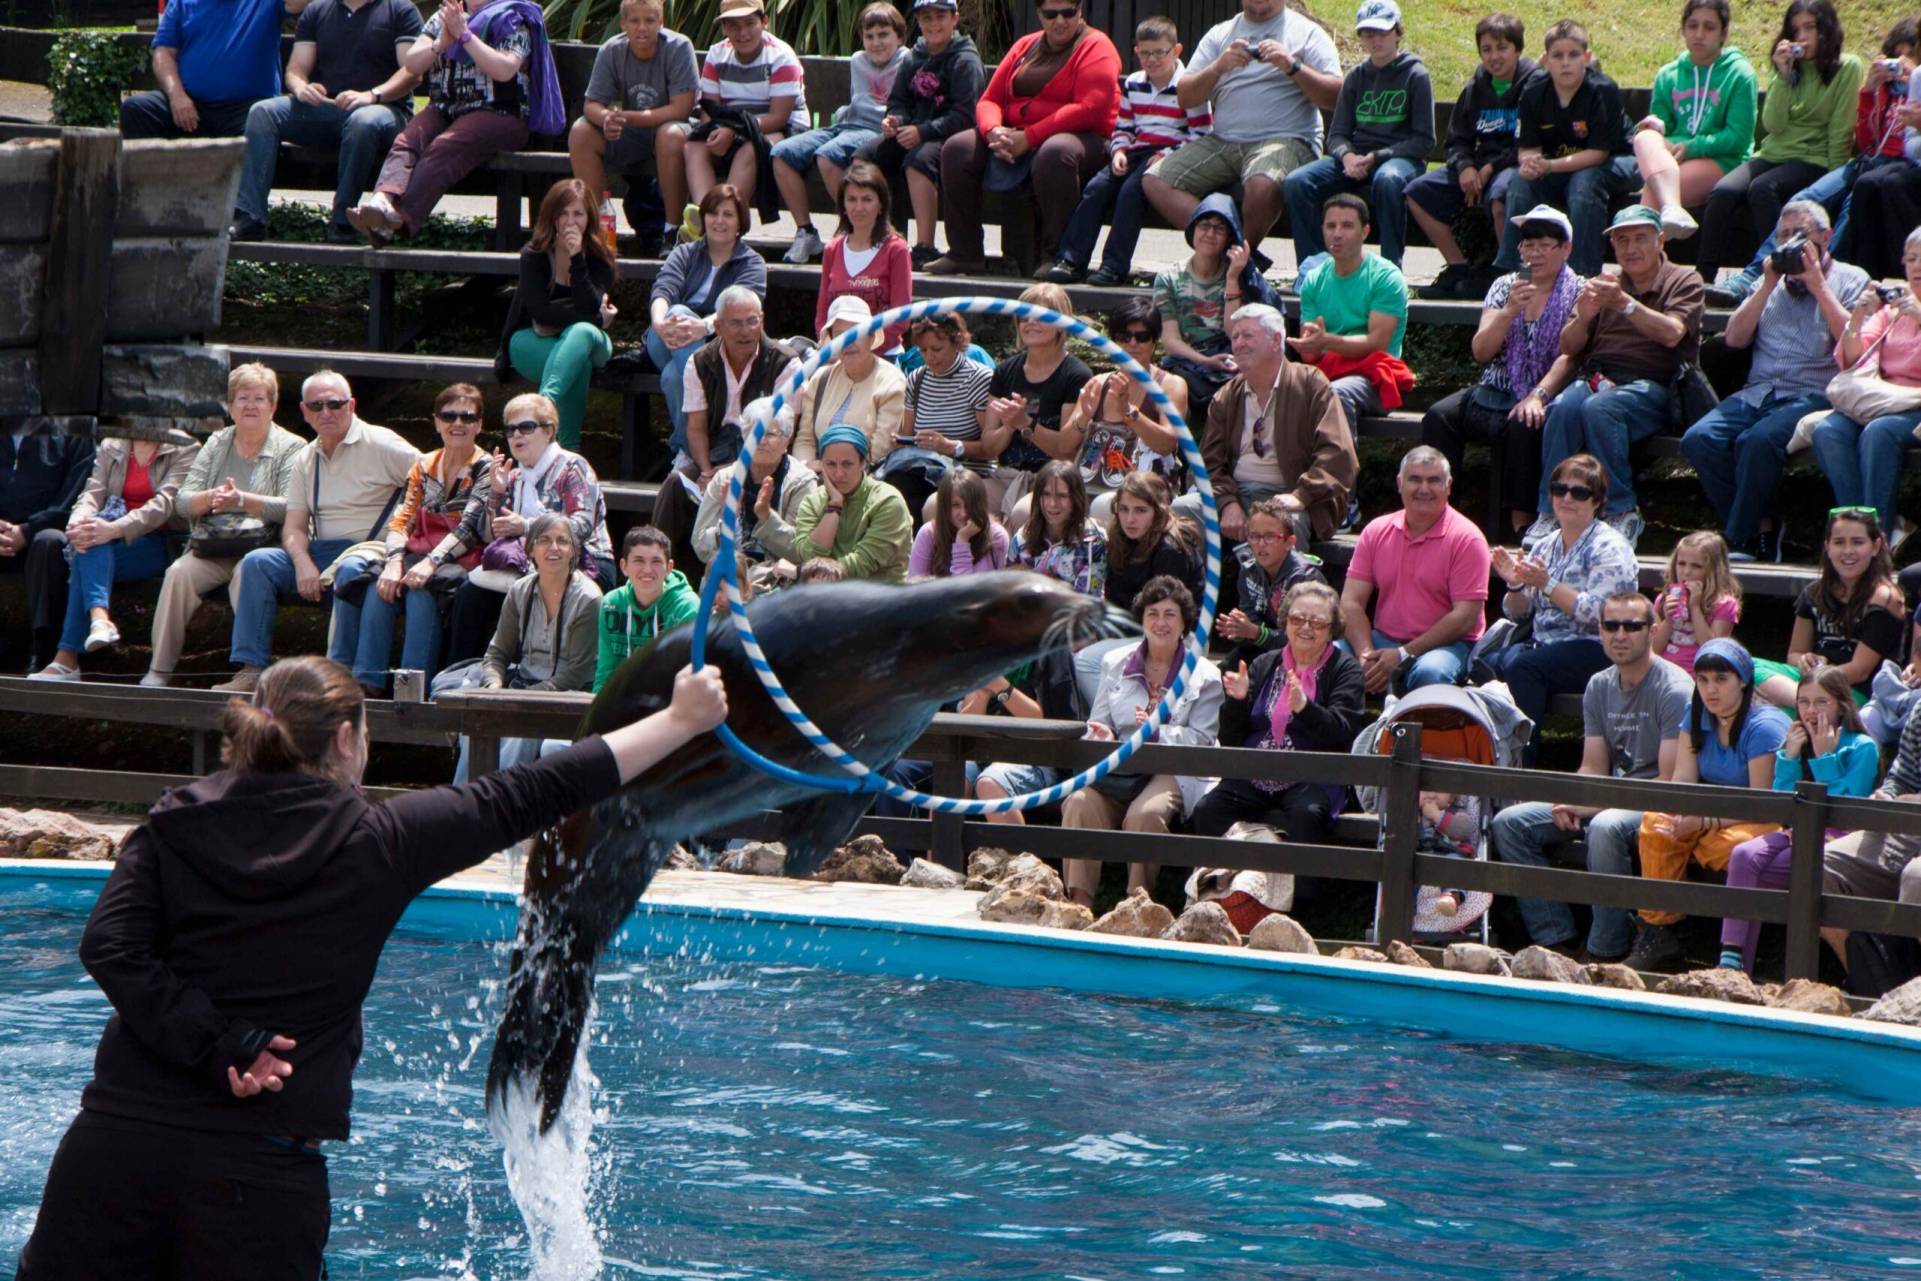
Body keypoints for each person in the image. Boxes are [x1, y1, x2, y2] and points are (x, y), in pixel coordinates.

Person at [12, 653, 727, 1281]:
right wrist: (679, 719)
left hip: (110, 1154)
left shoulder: (171, 820)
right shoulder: (379, 840)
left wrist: (220, 1039)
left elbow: (109, 946)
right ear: (348, 737)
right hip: (254, 1177)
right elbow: (536, 789)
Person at [1491, 591, 1694, 962]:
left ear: (1652, 631)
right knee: (1510, 823)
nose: (1620, 634)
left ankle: (1605, 950)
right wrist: (1574, 798)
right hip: (1608, 797)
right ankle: (1555, 942)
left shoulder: (1674, 689)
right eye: (1611, 625)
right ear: (1599, 632)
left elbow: (1670, 781)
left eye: (1632, 626)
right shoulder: (1598, 685)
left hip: (1655, 805)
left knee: (1604, 825)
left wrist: (1594, 804)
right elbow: (1592, 766)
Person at [1680, 201, 1868, 561]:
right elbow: (1734, 338)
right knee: (1699, 439)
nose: (1789, 244)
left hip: (1815, 392)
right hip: (1759, 391)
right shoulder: (1772, 280)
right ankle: (1762, 523)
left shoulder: (1850, 277)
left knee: (1757, 441)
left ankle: (1740, 540)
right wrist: (1766, 285)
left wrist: (1817, 285)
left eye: (1800, 236)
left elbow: (1853, 344)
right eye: (1782, 236)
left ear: (1826, 238)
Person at [215, 372, 420, 694]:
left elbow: (432, 481)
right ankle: (251, 669)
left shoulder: (382, 443)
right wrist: (301, 562)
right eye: (317, 405)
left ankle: (344, 677)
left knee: (350, 570)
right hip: (323, 551)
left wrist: (403, 533)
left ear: (351, 405)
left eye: (335, 404)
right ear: (305, 411)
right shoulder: (305, 458)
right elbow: (295, 525)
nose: (326, 412)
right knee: (257, 562)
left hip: (370, 553)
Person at [1710, 17, 1919, 306]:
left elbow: (1910, 149)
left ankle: (1814, 279)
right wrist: (1870, 92)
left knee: (1851, 208)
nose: (1902, 62)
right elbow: (1867, 140)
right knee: (1805, 201)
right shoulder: (1885, 88)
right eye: (1896, 55)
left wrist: (1915, 85)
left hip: (1896, 167)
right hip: (1866, 160)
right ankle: (1754, 275)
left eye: (1911, 55)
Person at [1537, 204, 1704, 549]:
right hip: (1600, 377)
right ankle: (1551, 511)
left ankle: (1621, 510)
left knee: (1601, 408)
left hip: (1656, 384)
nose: (1631, 249)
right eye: (1622, 240)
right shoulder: (1603, 284)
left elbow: (1673, 333)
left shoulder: (1683, 280)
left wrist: (1625, 304)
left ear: (1660, 241)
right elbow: (1568, 347)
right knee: (1563, 407)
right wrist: (1582, 318)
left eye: (1640, 239)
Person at [925, 0, 1121, 276]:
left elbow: (1091, 108)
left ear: (1080, 12)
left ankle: (1059, 258)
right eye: (1051, 14)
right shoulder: (1025, 46)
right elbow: (990, 99)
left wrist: (1030, 137)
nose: (1060, 21)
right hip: (1015, 134)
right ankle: (964, 252)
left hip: (1083, 138)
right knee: (957, 149)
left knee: (1055, 154)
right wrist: (993, 132)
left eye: (1068, 13)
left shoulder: (1097, 47)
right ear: (1040, 15)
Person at [1627, 638, 1790, 970]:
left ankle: (1748, 948)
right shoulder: (1696, 712)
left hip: (1758, 817)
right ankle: (1660, 931)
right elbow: (1683, 780)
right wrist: (1681, 816)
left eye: (1721, 679)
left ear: (1742, 680)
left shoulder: (1765, 726)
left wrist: (1702, 823)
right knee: (1656, 824)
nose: (1710, 689)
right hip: (1707, 809)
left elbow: (1762, 802)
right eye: (1703, 680)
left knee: (1731, 848)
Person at [1061, 575, 1222, 908]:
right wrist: (1101, 734)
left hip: (1173, 768)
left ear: (1184, 623)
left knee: (1145, 814)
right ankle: (1078, 905)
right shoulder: (1114, 662)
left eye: (1169, 614)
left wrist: (1156, 731)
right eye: (1152, 614)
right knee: (1078, 803)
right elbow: (1098, 721)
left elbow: (1203, 740)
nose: (1160, 623)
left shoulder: (1206, 675)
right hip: (1120, 766)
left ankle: (1137, 904)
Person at [1419, 204, 1580, 534]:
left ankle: (1520, 524)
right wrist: (1509, 310)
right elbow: (1481, 351)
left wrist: (1537, 395)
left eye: (1544, 245)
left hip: (1546, 387)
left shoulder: (1577, 290)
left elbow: (1571, 356)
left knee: (1526, 422)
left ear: (1565, 248)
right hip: (1495, 385)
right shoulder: (1506, 285)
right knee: (1439, 415)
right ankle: (1436, 508)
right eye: (1527, 245)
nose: (1534, 253)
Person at [142, 363, 305, 689]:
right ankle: (159, 668)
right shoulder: (217, 443)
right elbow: (182, 501)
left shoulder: (294, 448)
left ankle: (249, 671)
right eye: (242, 398)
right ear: (229, 407)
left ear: (273, 406)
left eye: (259, 398)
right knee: (178, 574)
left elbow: (293, 507)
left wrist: (243, 500)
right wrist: (211, 497)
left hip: (263, 547)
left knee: (249, 573)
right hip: (214, 544)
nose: (250, 405)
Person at [348, 0, 560, 246]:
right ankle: (382, 201)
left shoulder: (513, 18)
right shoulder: (443, 17)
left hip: (500, 113)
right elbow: (412, 63)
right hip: (445, 108)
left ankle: (396, 219)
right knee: (407, 139)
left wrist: (466, 36)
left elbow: (504, 69)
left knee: (445, 146)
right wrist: (441, 44)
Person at [1141, 0, 1340, 258]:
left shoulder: (1306, 32)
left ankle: (1233, 260)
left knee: (1261, 185)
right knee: (1155, 180)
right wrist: (1218, 67)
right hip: (1224, 140)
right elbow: (1186, 97)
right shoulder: (1220, 33)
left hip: (1288, 138)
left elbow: (1335, 96)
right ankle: (1234, 255)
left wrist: (1292, 66)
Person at [1717, 665, 1881, 973]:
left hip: (1838, 843)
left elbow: (1846, 808)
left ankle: (1739, 968)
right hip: (1797, 833)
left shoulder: (1863, 747)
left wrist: (1824, 758)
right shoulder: (1797, 739)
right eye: (1803, 702)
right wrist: (1790, 758)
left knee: (1754, 876)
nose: (1811, 710)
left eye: (1822, 702)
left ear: (1841, 705)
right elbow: (1781, 804)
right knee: (1742, 854)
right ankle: (1731, 957)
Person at [328, 383, 489, 698]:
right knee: (380, 585)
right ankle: (367, 682)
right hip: (418, 555)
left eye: (467, 417)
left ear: (479, 424)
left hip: (462, 560)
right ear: (437, 421)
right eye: (449, 415)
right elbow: (402, 519)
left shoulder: (485, 468)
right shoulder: (424, 465)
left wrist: (430, 564)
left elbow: (469, 527)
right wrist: (394, 562)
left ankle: (412, 689)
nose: (458, 424)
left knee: (420, 591)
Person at [1694, 0, 1862, 287]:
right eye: (1795, 30)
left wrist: (1835, 181)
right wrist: (1783, 77)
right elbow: (1773, 125)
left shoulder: (1847, 67)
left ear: (1827, 29)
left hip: (1815, 159)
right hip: (1774, 153)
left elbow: (1840, 130)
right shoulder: (1786, 66)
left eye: (1810, 28)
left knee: (1762, 189)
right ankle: (1702, 280)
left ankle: (1774, 274)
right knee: (1722, 192)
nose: (1802, 37)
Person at [441, 393, 616, 665]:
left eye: (526, 427)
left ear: (548, 431)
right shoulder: (511, 475)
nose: (516, 436)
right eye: (510, 429)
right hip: (527, 562)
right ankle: (459, 676)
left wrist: (525, 526)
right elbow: (490, 537)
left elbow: (580, 526)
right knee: (469, 593)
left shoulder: (572, 467)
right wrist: (496, 495)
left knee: (536, 589)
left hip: (586, 561)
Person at [1191, 580, 1364, 847]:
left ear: (1331, 630)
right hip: (1255, 772)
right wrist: (1236, 701)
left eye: (1317, 622)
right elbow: (1231, 740)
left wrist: (1305, 709)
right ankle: (1217, 885)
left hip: (1312, 776)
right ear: (1285, 623)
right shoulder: (1264, 663)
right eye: (1297, 619)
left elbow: (1341, 731)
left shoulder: (1345, 670)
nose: (1305, 627)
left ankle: (1300, 890)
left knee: (1306, 815)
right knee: (1208, 810)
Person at [232, 0, 422, 242]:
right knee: (263, 112)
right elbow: (296, 68)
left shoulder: (400, 10)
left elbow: (412, 72)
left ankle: (343, 222)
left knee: (362, 121)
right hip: (329, 109)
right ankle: (251, 217)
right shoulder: (317, 10)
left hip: (385, 110)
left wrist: (372, 95)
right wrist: (301, 87)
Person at [1044, 16, 1211, 286]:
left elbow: (1202, 135)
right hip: (1136, 152)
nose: (1152, 59)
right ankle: (1071, 259)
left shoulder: (1188, 86)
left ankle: (1114, 265)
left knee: (1132, 193)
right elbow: (1124, 127)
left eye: (1160, 52)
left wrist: (1169, 156)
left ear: (1176, 51)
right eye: (1145, 53)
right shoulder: (1134, 83)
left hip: (1170, 155)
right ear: (1136, 52)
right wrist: (1119, 151)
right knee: (1097, 188)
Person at [1486, 453, 1640, 737]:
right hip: (1545, 644)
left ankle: (1521, 763)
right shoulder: (1544, 545)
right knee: (1486, 666)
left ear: (1596, 501)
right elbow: (1520, 612)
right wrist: (1516, 585)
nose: (1567, 498)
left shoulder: (1610, 547)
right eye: (1559, 490)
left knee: (1523, 668)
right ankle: (1489, 754)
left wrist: (1547, 583)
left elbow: (1601, 614)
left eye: (1579, 492)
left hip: (1599, 646)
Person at [27, 436, 198, 682]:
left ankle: (68, 658)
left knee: (91, 544)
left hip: (163, 540)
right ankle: (98, 623)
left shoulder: (186, 448)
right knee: (87, 543)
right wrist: (80, 521)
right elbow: (91, 494)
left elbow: (165, 504)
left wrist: (114, 529)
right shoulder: (111, 446)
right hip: (110, 539)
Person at [447, 512, 604, 778]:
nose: (553, 548)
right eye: (544, 540)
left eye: (562, 541)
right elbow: (497, 653)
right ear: (530, 549)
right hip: (520, 689)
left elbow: (575, 674)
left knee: (520, 733)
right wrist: (494, 689)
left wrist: (515, 700)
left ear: (573, 550)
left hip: (568, 697)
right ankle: (466, 809)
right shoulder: (519, 591)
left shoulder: (588, 599)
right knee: (475, 727)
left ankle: (496, 808)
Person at [1282, 0, 1434, 272]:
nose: (1375, 40)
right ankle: (1314, 269)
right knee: (1297, 182)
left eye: (1382, 32)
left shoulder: (1416, 75)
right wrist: (1348, 156)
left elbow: (1424, 141)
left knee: (1389, 180)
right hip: (1356, 159)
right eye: (1368, 34)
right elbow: (1337, 134)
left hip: (1398, 158)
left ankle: (1389, 270)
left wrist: (1377, 157)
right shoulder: (1356, 77)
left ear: (1399, 32)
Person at [1199, 304, 1357, 547]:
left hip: (1290, 497)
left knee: (1282, 526)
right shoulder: (1227, 396)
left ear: (1275, 340)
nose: (1239, 343)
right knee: (1181, 513)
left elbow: (1338, 453)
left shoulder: (1310, 384)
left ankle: (1284, 587)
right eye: (1235, 337)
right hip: (1235, 494)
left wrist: (1301, 496)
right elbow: (1208, 462)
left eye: (1248, 335)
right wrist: (1227, 502)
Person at [1489, 21, 1638, 279]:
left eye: (1574, 55)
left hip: (1617, 161)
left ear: (1587, 58)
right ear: (1546, 60)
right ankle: (1514, 273)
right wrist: (1530, 163)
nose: (1566, 63)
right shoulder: (1534, 90)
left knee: (1585, 181)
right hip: (1558, 165)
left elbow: (1598, 154)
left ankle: (1581, 276)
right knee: (1520, 181)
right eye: (1558, 56)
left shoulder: (1603, 90)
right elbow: (1528, 147)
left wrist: (1549, 166)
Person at [1339, 445, 1490, 695]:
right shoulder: (1376, 531)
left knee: (1431, 672)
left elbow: (1465, 618)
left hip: (1447, 645)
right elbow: (1351, 601)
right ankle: (1347, 733)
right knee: (1330, 655)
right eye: (1414, 479)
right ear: (1399, 483)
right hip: (1383, 640)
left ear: (1448, 485)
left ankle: (1425, 735)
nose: (1424, 489)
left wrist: (1403, 654)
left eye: (1434, 480)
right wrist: (1366, 655)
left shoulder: (1467, 538)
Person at [1406, 13, 1534, 299]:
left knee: (1502, 196)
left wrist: (1489, 168)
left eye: (1502, 48)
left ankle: (1508, 274)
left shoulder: (1534, 85)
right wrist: (1465, 167)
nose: (1494, 57)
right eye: (1486, 49)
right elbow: (1457, 139)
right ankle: (1458, 268)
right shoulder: (1475, 87)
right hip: (1477, 167)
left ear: (1517, 48)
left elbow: (1530, 142)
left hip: (1513, 164)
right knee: (1418, 192)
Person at [1807, 229, 1921, 542]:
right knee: (1828, 431)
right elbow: (1852, 359)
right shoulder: (1893, 308)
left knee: (1879, 433)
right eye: (1911, 259)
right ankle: (1860, 532)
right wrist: (1857, 317)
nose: (1917, 266)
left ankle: (1877, 537)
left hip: (1915, 406)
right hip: (1882, 398)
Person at [855, 0, 985, 268]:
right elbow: (898, 100)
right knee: (863, 157)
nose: (933, 24)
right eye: (927, 18)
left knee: (918, 161)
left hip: (950, 137)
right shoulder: (915, 56)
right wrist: (894, 120)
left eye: (940, 16)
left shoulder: (965, 59)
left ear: (954, 19)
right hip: (911, 130)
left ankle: (924, 247)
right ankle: (876, 238)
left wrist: (923, 131)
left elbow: (965, 115)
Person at [775, 3, 908, 264]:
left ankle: (854, 230)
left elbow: (896, 106)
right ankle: (806, 232)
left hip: (876, 131)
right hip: (846, 126)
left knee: (828, 156)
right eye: (869, 36)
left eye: (883, 35)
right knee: (781, 153)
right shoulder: (859, 60)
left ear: (899, 37)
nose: (876, 43)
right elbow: (859, 101)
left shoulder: (907, 60)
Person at [567, 0, 699, 258]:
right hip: (631, 134)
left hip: (672, 132)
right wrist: (607, 118)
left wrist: (627, 117)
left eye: (650, 21)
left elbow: (681, 108)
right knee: (581, 131)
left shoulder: (679, 47)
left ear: (661, 23)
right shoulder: (612, 50)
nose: (642, 28)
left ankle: (672, 232)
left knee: (669, 134)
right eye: (635, 21)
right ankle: (596, 225)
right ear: (623, 23)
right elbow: (592, 104)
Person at [496, 179, 618, 451]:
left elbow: (589, 305)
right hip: (537, 337)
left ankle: (541, 406)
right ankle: (567, 450)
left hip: (591, 342)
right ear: (551, 216)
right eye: (563, 213)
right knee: (579, 365)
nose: (569, 221)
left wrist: (577, 259)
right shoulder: (534, 254)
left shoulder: (600, 256)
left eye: (578, 213)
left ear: (589, 217)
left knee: (582, 332)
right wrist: (595, 318)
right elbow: (540, 311)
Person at [1627, 0, 1757, 244]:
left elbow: (1737, 138)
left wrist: (1690, 147)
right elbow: (1662, 126)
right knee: (1645, 137)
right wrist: (1655, 128)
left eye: (1709, 27)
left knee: (1653, 195)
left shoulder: (1740, 74)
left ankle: (1646, 274)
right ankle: (1671, 211)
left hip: (1722, 159)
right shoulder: (1668, 74)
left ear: (1723, 34)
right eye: (1692, 26)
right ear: (1683, 30)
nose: (1699, 34)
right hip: (1675, 157)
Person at [646, 183, 767, 443]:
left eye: (728, 214)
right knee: (675, 309)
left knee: (671, 378)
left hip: (716, 344)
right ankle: (711, 429)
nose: (719, 221)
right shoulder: (685, 253)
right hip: (665, 337)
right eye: (713, 214)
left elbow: (741, 308)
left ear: (740, 221)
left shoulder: (752, 263)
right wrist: (658, 322)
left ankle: (685, 448)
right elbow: (663, 290)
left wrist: (704, 327)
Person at [1754, 509, 1905, 714]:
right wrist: (1804, 660)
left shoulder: (1884, 599)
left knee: (1770, 712)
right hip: (1810, 681)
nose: (1848, 550)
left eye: (1858, 542)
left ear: (1875, 546)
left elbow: (1859, 671)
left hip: (1853, 691)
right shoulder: (1814, 593)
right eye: (1839, 542)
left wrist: (1816, 680)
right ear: (1828, 547)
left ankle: (1803, 705)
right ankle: (1806, 705)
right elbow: (1794, 653)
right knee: (1740, 664)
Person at [1289, 193, 1414, 436]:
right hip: (1326, 371)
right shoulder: (1314, 280)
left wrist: (1326, 341)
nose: (1337, 233)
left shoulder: (1386, 277)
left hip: (1374, 378)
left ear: (1365, 232)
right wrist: (1310, 344)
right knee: (1278, 389)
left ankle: (1337, 474)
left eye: (1347, 226)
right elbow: (1311, 354)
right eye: (1330, 226)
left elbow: (1376, 343)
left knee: (1336, 393)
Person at [1060, 298, 1189, 519]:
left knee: (1103, 506)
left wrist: (1128, 412)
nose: (1132, 343)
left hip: (1145, 491)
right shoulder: (1098, 384)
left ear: (1154, 341)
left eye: (1141, 337)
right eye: (1123, 337)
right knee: (1025, 510)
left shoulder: (1170, 385)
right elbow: (1064, 447)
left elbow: (1167, 443)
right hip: (1090, 483)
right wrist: (1084, 417)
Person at [681, 0, 807, 217]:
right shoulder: (716, 54)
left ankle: (727, 218)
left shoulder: (781, 56)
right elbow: (710, 109)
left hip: (782, 129)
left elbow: (778, 117)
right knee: (694, 147)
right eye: (733, 26)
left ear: (764, 22)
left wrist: (734, 131)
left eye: (750, 23)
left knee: (751, 149)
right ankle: (706, 220)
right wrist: (712, 135)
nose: (743, 33)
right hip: (731, 127)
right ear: (723, 28)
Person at [119, 0, 308, 141]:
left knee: (261, 123)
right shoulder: (182, 3)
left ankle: (244, 195)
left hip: (247, 109)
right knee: (136, 109)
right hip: (191, 106)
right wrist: (177, 96)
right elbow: (164, 54)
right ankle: (148, 191)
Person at [983, 282, 1092, 520]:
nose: (1030, 322)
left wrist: (1026, 424)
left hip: (1053, 480)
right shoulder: (1004, 372)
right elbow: (989, 447)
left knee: (1023, 512)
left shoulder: (1076, 375)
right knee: (944, 503)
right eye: (1024, 317)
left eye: (1040, 316)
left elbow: (1065, 450)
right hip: (1006, 475)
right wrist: (1009, 427)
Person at [678, 286, 801, 490]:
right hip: (715, 454)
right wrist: (707, 472)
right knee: (675, 484)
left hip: (763, 457)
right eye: (735, 323)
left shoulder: (785, 364)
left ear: (761, 319)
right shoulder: (699, 362)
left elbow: (786, 431)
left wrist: (731, 470)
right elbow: (696, 427)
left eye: (752, 321)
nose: (745, 331)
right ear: (718, 326)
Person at [0, 422, 95, 676]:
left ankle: (44, 651)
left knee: (49, 543)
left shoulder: (76, 433)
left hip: (46, 532)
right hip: (3, 534)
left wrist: (27, 530)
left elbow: (76, 496)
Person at [1152, 195, 1261, 416]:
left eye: (1219, 229)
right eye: (1204, 226)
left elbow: (1234, 333)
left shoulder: (1240, 274)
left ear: (1229, 237)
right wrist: (1205, 361)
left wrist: (1232, 280)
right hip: (1187, 359)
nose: (1210, 234)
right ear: (1193, 230)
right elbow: (1171, 340)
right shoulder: (1169, 278)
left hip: (1229, 357)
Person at [692, 395, 819, 579]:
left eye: (769, 434)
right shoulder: (724, 479)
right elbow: (700, 546)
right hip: (729, 577)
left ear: (786, 441)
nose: (761, 441)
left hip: (778, 579)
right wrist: (726, 522)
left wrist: (766, 517)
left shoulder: (802, 482)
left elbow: (801, 551)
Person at [885, 312, 993, 518]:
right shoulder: (917, 378)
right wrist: (901, 440)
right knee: (893, 491)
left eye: (937, 349)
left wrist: (949, 446)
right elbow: (907, 435)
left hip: (967, 471)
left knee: (923, 497)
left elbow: (991, 448)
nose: (930, 357)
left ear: (957, 341)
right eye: (923, 350)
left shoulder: (979, 378)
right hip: (921, 467)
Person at [811, 161, 913, 356]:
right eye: (852, 199)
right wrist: (832, 348)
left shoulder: (896, 250)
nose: (858, 207)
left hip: (884, 356)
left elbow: (901, 318)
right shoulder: (832, 249)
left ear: (881, 204)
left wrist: (862, 350)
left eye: (867, 199)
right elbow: (822, 315)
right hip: (838, 356)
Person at [790, 296, 908, 464]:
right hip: (816, 476)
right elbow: (805, 439)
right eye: (839, 335)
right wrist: (806, 468)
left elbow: (880, 450)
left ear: (871, 336)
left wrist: (837, 472)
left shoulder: (892, 381)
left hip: (867, 480)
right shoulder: (820, 378)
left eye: (856, 333)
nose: (848, 342)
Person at [789, 424, 914, 582]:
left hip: (880, 598)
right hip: (823, 595)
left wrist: (803, 573)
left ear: (863, 463)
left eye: (847, 464)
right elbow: (810, 557)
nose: (839, 473)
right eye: (831, 464)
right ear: (821, 465)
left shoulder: (888, 501)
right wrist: (834, 506)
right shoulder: (812, 502)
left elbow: (861, 565)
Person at [1216, 497, 1326, 669]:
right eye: (1254, 536)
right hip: (1264, 648)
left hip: (1303, 656)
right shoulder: (1248, 572)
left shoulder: (1305, 579)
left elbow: (1303, 638)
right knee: (1220, 676)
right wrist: (1239, 630)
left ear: (1289, 542)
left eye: (1269, 537)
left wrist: (1254, 632)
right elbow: (1251, 619)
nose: (1260, 544)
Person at [594, 525, 699, 692]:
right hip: (620, 702)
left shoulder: (687, 607)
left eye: (656, 561)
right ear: (624, 566)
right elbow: (605, 672)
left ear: (669, 568)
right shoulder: (611, 603)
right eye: (639, 561)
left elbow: (685, 676)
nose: (647, 570)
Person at [1010, 459, 1107, 599]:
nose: (1052, 504)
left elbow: (1088, 600)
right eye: (1046, 494)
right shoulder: (1022, 537)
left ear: (1075, 498)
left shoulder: (1093, 542)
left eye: (1061, 496)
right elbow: (1008, 586)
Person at [1650, 530, 1741, 675]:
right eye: (1681, 564)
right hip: (1662, 672)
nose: (1686, 572)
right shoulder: (1664, 600)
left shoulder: (1724, 604)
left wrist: (1695, 607)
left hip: (1698, 674)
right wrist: (1668, 620)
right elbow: (1653, 649)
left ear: (1713, 571)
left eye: (1696, 566)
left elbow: (1712, 649)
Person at [908, 468, 1010, 578]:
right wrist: (962, 542)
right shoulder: (928, 534)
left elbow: (1003, 588)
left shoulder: (997, 536)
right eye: (955, 505)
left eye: (970, 504)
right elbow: (914, 586)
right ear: (945, 507)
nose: (964, 513)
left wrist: (962, 540)